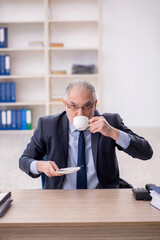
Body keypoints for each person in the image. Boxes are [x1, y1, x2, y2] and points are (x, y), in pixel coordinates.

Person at [19, 79, 153, 189]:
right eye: (74, 106)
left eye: (87, 106)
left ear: (95, 105)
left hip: (103, 197)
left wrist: (113, 133)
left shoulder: (110, 122)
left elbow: (146, 153)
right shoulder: (48, 125)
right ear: (65, 105)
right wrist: (39, 165)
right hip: (61, 198)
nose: (80, 113)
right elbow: (24, 160)